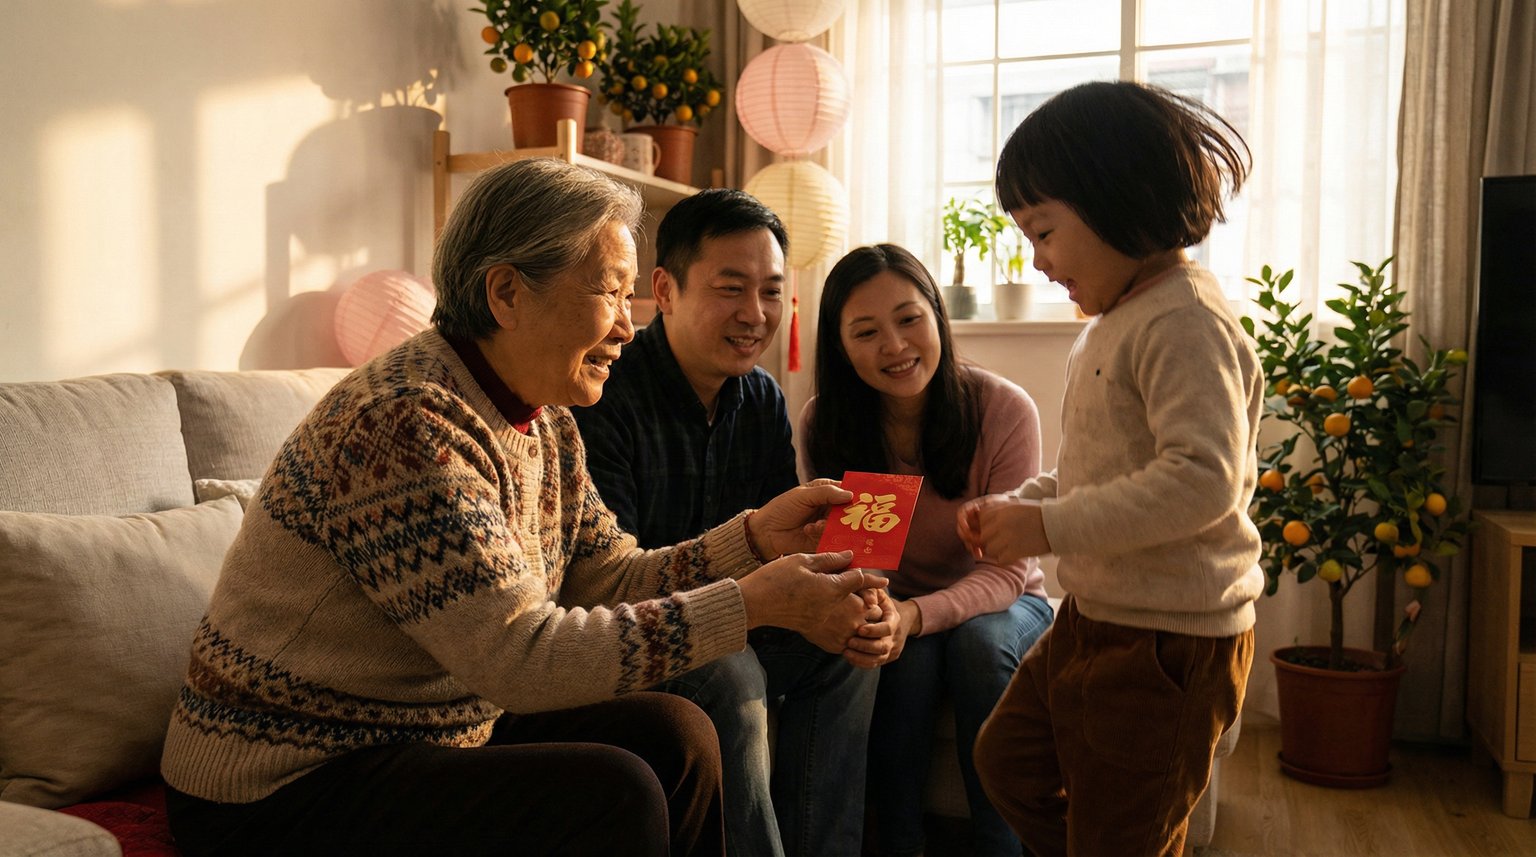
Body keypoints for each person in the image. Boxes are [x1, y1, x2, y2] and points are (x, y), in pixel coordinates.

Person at [159, 157, 887, 857]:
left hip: (420, 735)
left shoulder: (544, 419)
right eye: (610, 292)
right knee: (617, 792)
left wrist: (754, 539)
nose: (627, 326)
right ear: (507, 293)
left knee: (678, 734)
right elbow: (520, 659)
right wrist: (749, 603)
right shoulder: (407, 422)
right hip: (282, 781)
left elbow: (610, 576)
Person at [957, 80, 1263, 857]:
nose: (1037, 260)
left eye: (1044, 231)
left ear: (1118, 197)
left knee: (1121, 831)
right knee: (1008, 761)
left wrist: (1048, 525)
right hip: (1095, 617)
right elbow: (1101, 470)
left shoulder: (1186, 321)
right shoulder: (1113, 322)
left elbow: (1201, 480)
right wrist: (1022, 503)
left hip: (1169, 639)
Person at [571, 188, 886, 857]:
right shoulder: (604, 393)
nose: (756, 314)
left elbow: (782, 550)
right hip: (633, 629)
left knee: (849, 644)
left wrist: (837, 594)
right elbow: (609, 580)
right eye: (731, 288)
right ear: (665, 289)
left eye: (771, 291)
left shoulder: (761, 397)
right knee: (732, 670)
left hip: (740, 613)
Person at [798, 243, 1055, 857]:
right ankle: (900, 844)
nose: (895, 345)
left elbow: (1006, 572)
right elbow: (850, 558)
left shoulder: (1003, 409)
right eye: (866, 332)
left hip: (1006, 601)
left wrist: (914, 615)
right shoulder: (825, 423)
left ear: (938, 315)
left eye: (909, 319)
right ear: (840, 346)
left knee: (979, 645)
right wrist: (884, 615)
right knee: (902, 663)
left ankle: (1001, 848)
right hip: (898, 602)